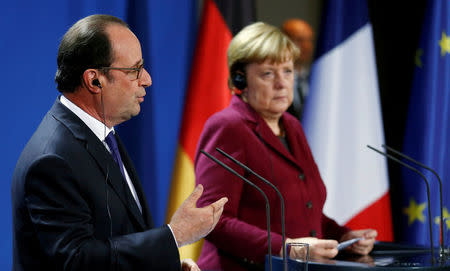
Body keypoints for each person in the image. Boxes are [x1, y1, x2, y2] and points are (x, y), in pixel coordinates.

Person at [11, 14, 228, 271]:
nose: (147, 79)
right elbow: (76, 261)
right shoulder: (53, 159)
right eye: (135, 70)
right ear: (94, 80)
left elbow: (118, 238)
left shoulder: (102, 133)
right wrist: (175, 235)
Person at [194, 22, 377, 270]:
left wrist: (344, 236)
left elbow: (302, 211)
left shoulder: (292, 126)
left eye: (288, 71)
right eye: (268, 73)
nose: (282, 83)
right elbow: (212, 220)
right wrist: (287, 248)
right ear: (240, 79)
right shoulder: (228, 127)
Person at [281, 18, 315, 120]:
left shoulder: (319, 80)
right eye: (300, 40)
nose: (306, 46)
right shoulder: (271, 83)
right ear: (284, 43)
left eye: (309, 40)